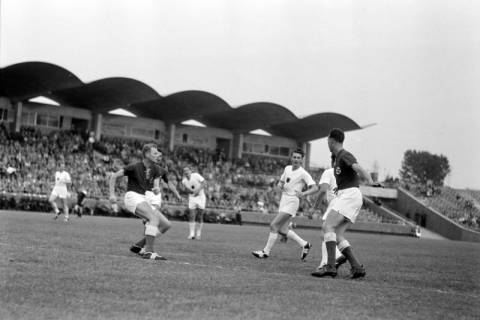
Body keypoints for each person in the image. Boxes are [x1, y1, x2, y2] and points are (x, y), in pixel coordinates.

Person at [311, 128, 377, 279]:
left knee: (327, 226)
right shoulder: (338, 157)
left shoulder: (344, 154)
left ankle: (330, 266)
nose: (327, 142)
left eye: (328, 140)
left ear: (332, 141)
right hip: (349, 196)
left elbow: (357, 167)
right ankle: (357, 267)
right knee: (337, 234)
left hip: (349, 195)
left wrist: (371, 181)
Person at [109, 143, 181, 260]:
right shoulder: (134, 166)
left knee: (166, 225)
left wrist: (161, 189)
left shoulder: (156, 169)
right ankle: (149, 252)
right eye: (155, 153)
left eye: (158, 153)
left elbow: (162, 181)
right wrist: (112, 195)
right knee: (154, 219)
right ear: (147, 154)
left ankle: (139, 245)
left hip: (143, 198)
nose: (159, 155)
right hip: (132, 196)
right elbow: (114, 176)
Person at [252, 148, 318, 260]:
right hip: (284, 200)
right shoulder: (287, 168)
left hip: (292, 201)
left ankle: (265, 252)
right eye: (294, 157)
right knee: (282, 230)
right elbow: (281, 182)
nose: (296, 159)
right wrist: (279, 185)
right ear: (291, 158)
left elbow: (315, 187)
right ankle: (305, 244)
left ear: (302, 160)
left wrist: (304, 193)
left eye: (298, 158)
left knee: (273, 225)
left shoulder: (303, 173)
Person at [314, 154, 346, 270]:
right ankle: (354, 265)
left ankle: (335, 257)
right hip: (346, 205)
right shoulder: (346, 174)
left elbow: (323, 190)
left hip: (335, 204)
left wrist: (315, 207)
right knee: (336, 235)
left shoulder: (328, 172)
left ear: (333, 161)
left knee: (325, 233)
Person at [181, 167, 207, 240]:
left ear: (190, 171)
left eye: (187, 170)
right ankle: (191, 234)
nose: (186, 172)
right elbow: (187, 190)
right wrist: (191, 192)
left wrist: (197, 191)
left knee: (200, 216)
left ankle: (198, 234)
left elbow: (204, 182)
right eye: (184, 171)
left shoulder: (196, 175)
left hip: (201, 197)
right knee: (191, 215)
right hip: (192, 198)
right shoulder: (184, 181)